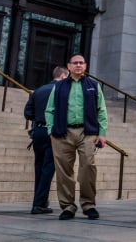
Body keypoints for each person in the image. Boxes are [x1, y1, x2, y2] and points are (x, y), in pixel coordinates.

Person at [44, 54, 108, 221]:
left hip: (87, 132)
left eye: (81, 63)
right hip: (62, 133)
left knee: (88, 166)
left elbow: (101, 110)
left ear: (85, 66)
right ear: (69, 66)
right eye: (75, 63)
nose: (78, 65)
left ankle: (89, 205)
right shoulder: (59, 86)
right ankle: (68, 206)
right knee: (64, 171)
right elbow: (49, 109)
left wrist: (102, 133)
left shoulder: (93, 85)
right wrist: (51, 130)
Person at [24, 65, 68, 215]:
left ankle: (40, 201)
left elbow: (27, 112)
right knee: (48, 169)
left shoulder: (39, 90)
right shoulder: (62, 90)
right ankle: (39, 203)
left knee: (39, 167)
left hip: (38, 132)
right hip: (53, 132)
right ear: (63, 76)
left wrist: (38, 117)